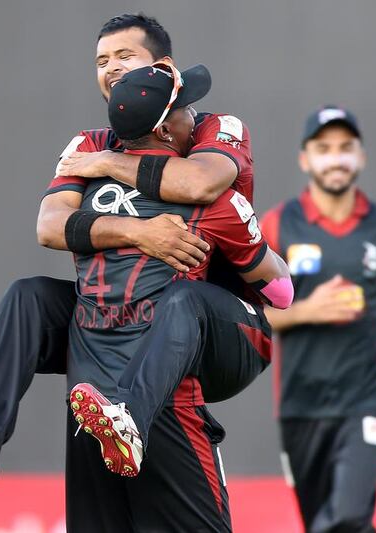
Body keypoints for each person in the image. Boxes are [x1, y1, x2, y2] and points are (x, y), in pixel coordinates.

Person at [0, 13, 260, 487]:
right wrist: (138, 232)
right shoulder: (88, 143)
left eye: (124, 56)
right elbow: (50, 227)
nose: (111, 67)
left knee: (183, 302)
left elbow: (200, 181)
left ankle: (132, 418)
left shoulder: (213, 125)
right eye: (101, 60)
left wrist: (106, 163)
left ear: (163, 66)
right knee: (27, 295)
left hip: (212, 321)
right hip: (120, 323)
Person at [53, 61, 289, 532]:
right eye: (184, 109)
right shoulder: (213, 197)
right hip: (174, 388)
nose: (195, 116)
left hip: (93, 383)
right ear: (164, 130)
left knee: (29, 296)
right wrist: (245, 240)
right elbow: (280, 292)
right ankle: (129, 420)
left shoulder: (91, 182)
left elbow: (48, 228)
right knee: (186, 300)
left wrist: (103, 168)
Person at [261, 106, 376, 533]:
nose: (335, 159)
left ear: (361, 156)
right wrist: (307, 310)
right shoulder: (279, 225)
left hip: (367, 399)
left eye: (345, 148)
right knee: (326, 522)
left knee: (349, 516)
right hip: (301, 404)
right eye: (323, 149)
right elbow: (250, 313)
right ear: (305, 159)